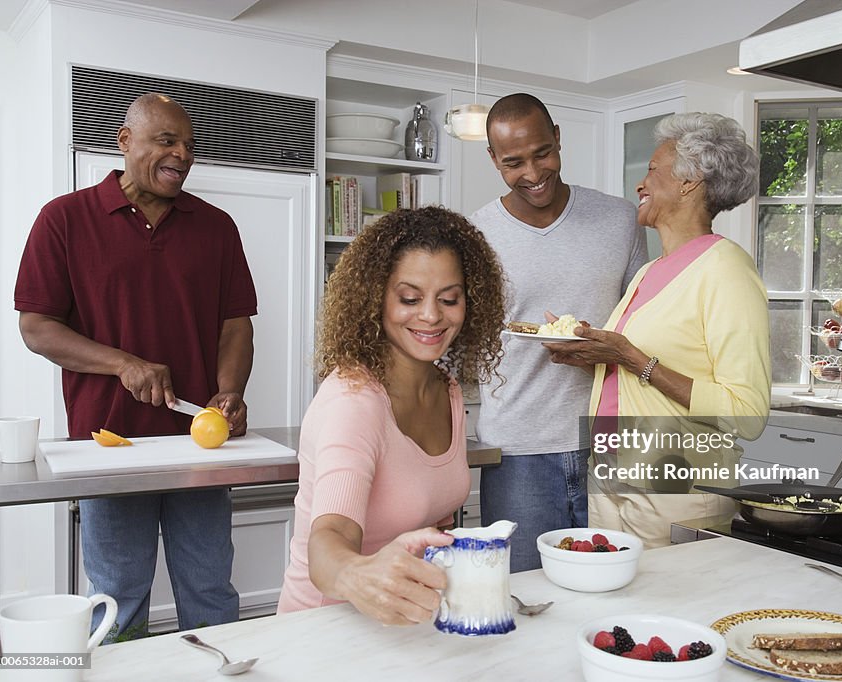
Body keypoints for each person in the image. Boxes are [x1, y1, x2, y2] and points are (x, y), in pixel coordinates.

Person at [14, 93, 256, 640]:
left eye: (189, 146)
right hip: (107, 446)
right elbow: (37, 327)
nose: (182, 155)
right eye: (166, 141)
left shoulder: (216, 226)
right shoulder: (64, 219)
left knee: (210, 593)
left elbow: (235, 326)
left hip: (201, 447)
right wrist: (123, 364)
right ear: (124, 142)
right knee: (119, 600)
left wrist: (229, 391)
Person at [545, 112, 771, 547]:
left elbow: (747, 411)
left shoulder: (727, 270)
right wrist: (588, 350)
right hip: (615, 475)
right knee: (612, 608)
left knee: (666, 609)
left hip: (677, 489)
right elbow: (631, 370)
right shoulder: (650, 270)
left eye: (652, 169)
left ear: (690, 181)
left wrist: (632, 358)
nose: (640, 184)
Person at [277, 206, 506, 625]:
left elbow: (426, 520)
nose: (432, 315)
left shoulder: (447, 390)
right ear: (375, 296)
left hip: (402, 622)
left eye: (449, 299)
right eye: (410, 298)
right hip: (324, 631)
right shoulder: (354, 401)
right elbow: (328, 541)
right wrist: (354, 572)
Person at [471, 93, 648, 572]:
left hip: (612, 440)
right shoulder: (475, 235)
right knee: (525, 593)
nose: (532, 172)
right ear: (493, 160)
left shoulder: (620, 219)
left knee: (619, 585)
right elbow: (462, 343)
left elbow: (644, 324)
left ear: (558, 139)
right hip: (517, 450)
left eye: (542, 153)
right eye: (513, 162)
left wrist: (608, 348)